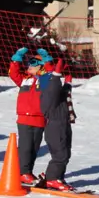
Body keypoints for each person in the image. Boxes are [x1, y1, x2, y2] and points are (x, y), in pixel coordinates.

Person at [36, 54, 73, 190]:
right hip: (55, 127)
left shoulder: (56, 93)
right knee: (60, 154)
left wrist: (68, 82)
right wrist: (56, 74)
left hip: (63, 124)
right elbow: (53, 89)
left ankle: (58, 177)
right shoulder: (47, 94)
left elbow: (61, 92)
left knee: (66, 153)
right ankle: (52, 179)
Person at [9, 47, 45, 185]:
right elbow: (13, 73)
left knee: (34, 148)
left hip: (40, 119)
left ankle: (27, 172)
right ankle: (22, 172)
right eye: (30, 62)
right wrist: (16, 59)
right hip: (24, 118)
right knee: (25, 146)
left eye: (34, 63)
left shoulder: (46, 81)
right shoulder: (24, 79)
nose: (30, 65)